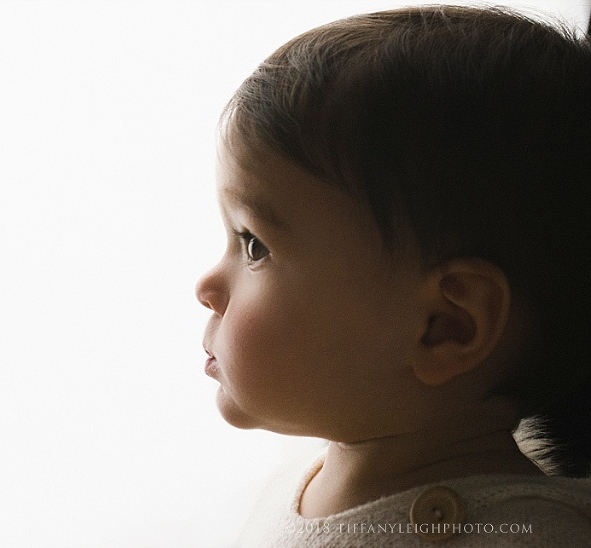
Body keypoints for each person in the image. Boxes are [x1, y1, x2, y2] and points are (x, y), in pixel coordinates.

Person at [195, 5, 591, 546]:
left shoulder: (529, 536)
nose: (207, 287)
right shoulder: (301, 484)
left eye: (254, 245)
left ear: (445, 326)